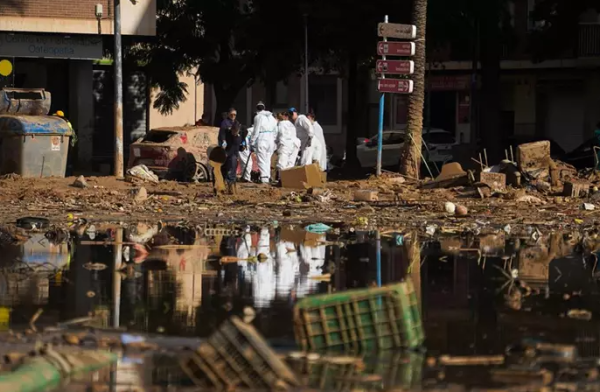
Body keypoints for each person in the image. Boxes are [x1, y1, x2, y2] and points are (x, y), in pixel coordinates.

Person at [250, 101, 278, 184]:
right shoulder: (272, 117)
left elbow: (256, 131)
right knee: (268, 159)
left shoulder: (258, 117)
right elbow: (276, 130)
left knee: (261, 159)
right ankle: (268, 176)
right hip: (271, 140)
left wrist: (252, 142)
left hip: (262, 138)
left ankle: (264, 178)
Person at [221, 122, 247, 188]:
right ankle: (223, 184)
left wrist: (243, 146)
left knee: (232, 168)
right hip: (226, 154)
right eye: (233, 131)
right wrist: (223, 143)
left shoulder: (242, 133)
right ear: (231, 129)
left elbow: (243, 142)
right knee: (224, 170)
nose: (234, 133)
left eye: (236, 132)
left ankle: (231, 184)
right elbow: (223, 139)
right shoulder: (227, 133)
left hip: (234, 155)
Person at [276, 111, 300, 177]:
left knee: (282, 162)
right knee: (291, 163)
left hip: (285, 144)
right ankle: (289, 178)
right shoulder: (291, 124)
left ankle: (282, 179)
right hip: (294, 144)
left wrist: (276, 143)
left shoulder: (281, 123)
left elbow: (279, 134)